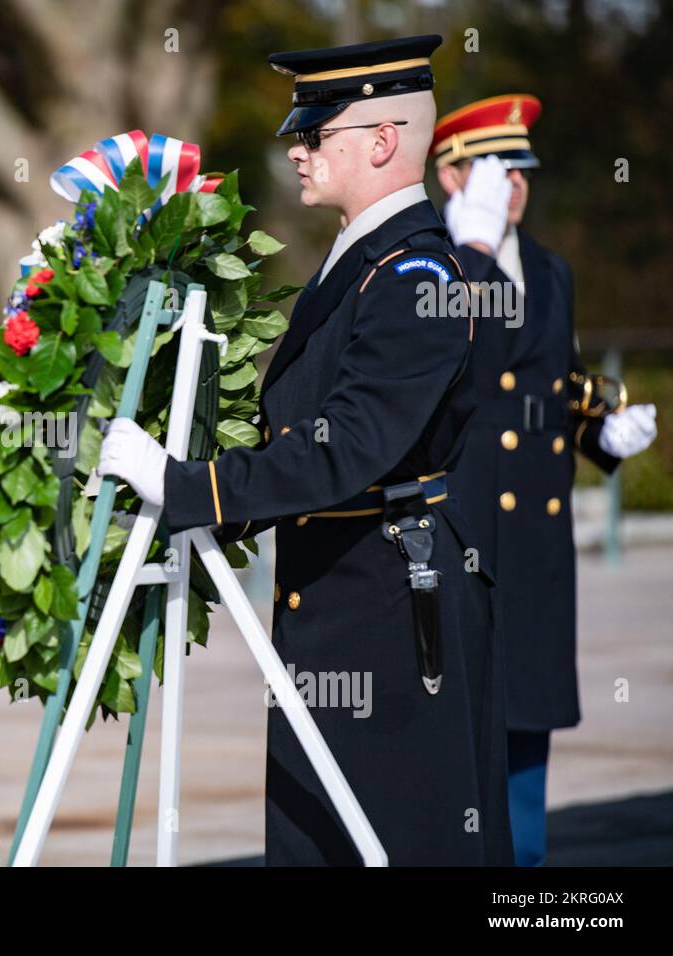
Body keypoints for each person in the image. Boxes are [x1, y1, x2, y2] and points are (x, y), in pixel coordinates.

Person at [97, 35, 514, 865]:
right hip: (344, 600)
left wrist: (188, 487)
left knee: (393, 834)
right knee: (329, 833)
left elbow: (346, 448)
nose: (296, 147)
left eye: (316, 133)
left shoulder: (413, 279)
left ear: (382, 141)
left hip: (390, 616)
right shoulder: (361, 263)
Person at [433, 94, 658, 866]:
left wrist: (603, 434)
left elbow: (554, 387)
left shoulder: (551, 271)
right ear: (450, 173)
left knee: (526, 726)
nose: (515, 183)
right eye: (497, 167)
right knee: (458, 735)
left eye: (521, 166)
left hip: (533, 534)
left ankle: (523, 883)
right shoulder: (438, 264)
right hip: (466, 525)